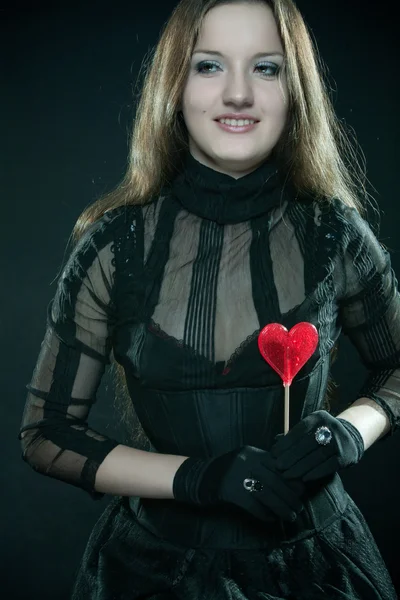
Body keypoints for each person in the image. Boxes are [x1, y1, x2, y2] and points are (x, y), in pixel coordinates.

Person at [18, 0, 399, 598]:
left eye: (267, 68)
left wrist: (347, 431)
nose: (239, 94)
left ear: (294, 90)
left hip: (319, 570)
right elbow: (45, 434)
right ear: (175, 85)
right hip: (148, 574)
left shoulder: (336, 234)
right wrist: (197, 479)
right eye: (209, 66)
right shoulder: (113, 246)